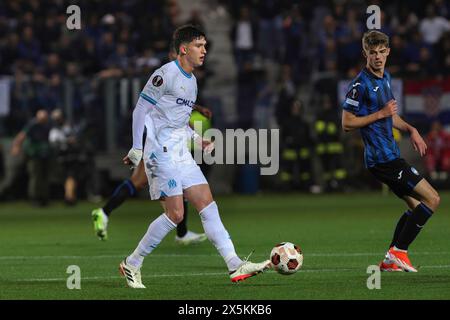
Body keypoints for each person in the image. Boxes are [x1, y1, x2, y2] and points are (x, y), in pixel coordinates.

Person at [119, 25, 270, 288]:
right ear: (184, 49)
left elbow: (180, 120)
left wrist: (199, 140)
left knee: (207, 203)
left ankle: (234, 264)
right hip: (160, 151)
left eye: (205, 45)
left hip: (180, 151)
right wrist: (137, 148)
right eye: (199, 46)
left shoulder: (192, 81)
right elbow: (140, 109)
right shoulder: (164, 74)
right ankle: (132, 263)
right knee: (176, 214)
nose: (205, 50)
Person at [341, 30, 440, 272]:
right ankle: (399, 252)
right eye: (372, 53)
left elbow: (391, 114)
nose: (377, 57)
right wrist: (380, 114)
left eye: (381, 52)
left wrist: (411, 129)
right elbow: (346, 123)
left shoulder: (386, 78)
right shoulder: (360, 85)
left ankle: (389, 260)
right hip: (383, 160)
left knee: (417, 206)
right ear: (365, 53)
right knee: (433, 199)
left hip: (389, 157)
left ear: (388, 52)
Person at [91, 103, 212, 244]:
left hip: (153, 136)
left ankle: (105, 212)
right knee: (169, 196)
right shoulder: (165, 88)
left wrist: (198, 109)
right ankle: (140, 251)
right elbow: (175, 101)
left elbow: (178, 100)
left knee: (141, 183)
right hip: (155, 141)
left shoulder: (169, 91)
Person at [11, 109, 52, 206]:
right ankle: (34, 198)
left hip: (46, 154)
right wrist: (16, 146)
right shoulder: (33, 125)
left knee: (45, 176)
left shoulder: (48, 125)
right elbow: (21, 136)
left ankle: (44, 198)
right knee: (35, 176)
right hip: (34, 154)